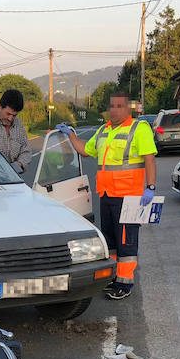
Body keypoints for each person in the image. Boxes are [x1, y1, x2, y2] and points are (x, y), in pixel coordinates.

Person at [58, 92, 156, 300]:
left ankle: (124, 283)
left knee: (126, 241)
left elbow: (149, 158)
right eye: (112, 105)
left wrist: (151, 187)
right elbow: (85, 150)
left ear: (128, 108)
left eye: (119, 106)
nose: (114, 109)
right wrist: (71, 135)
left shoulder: (139, 128)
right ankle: (112, 277)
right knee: (110, 239)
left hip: (130, 196)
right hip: (107, 194)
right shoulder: (104, 131)